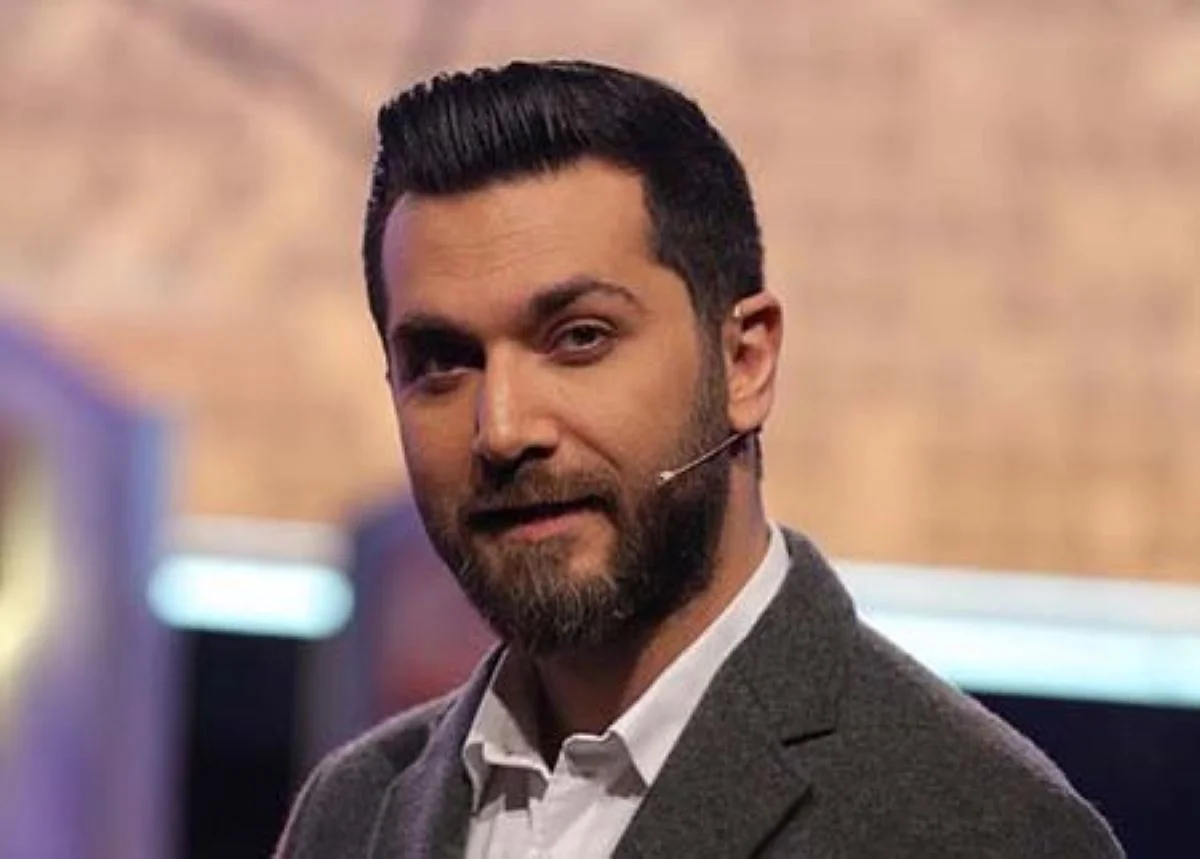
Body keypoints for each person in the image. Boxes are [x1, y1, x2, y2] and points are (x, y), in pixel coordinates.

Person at [275, 60, 1123, 858]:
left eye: (579, 337)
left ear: (745, 363)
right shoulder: (350, 811)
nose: (501, 428)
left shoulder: (985, 829)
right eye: (440, 361)